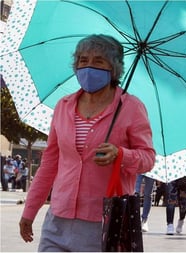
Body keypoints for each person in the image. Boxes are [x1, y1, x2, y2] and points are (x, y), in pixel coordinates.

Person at [18, 34, 156, 251]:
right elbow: (49, 164)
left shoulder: (131, 107)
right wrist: (29, 212)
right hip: (58, 220)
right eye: (83, 60)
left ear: (113, 68)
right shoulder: (63, 106)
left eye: (98, 61)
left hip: (102, 224)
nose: (89, 67)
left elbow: (148, 158)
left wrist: (120, 154)